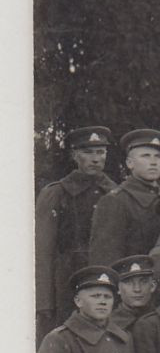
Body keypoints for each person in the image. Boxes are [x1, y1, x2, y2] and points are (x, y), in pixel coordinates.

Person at [36, 125, 116, 334]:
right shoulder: (57, 194)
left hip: (105, 282)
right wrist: (44, 301)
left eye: (100, 152)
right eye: (88, 152)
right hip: (66, 283)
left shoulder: (115, 193)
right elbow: (43, 251)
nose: (95, 159)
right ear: (74, 155)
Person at [87, 128, 160, 267]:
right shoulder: (115, 201)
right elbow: (105, 258)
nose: (153, 162)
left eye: (158, 156)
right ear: (130, 163)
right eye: (146, 156)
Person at [109, 254, 158, 333]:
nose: (137, 289)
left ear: (152, 286)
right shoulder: (109, 325)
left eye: (143, 282)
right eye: (128, 283)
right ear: (118, 288)